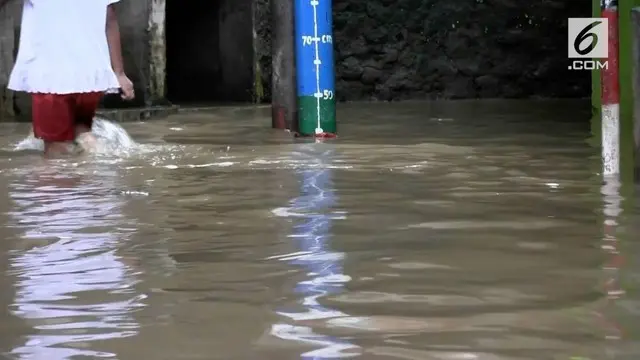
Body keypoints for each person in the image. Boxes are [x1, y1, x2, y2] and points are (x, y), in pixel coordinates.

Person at [0, 0, 135, 155]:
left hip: (51, 79)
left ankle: (69, 174)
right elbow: (110, 19)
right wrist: (119, 73)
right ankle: (102, 170)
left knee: (55, 149)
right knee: (81, 131)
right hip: (89, 77)